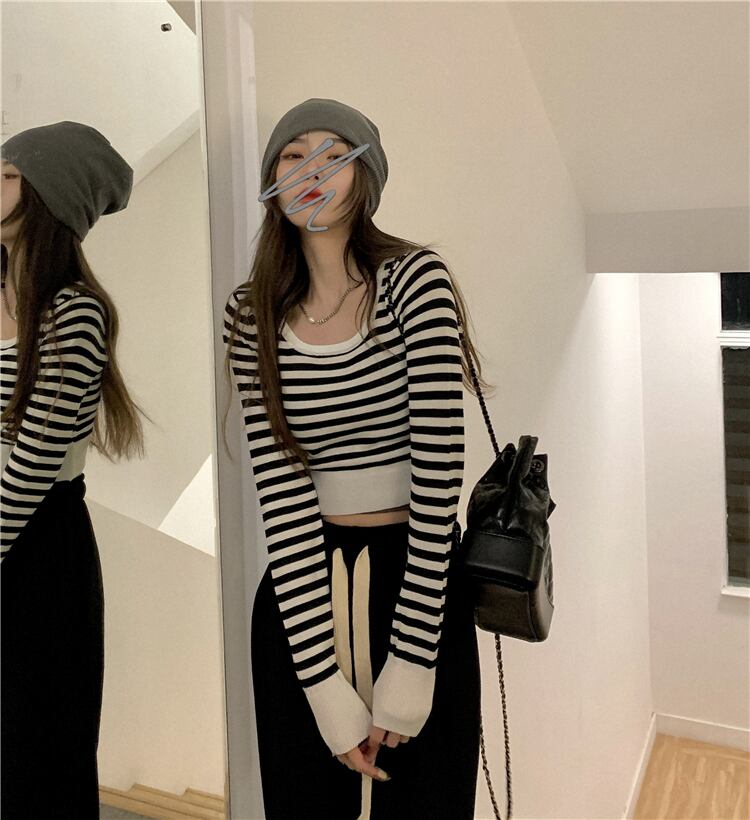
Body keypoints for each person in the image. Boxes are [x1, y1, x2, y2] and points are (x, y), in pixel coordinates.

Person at [221, 98, 492, 819]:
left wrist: (414, 654)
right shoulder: (249, 312)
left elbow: (439, 468)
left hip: (418, 578)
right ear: (272, 182)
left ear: (363, 176)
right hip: (303, 592)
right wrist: (319, 681)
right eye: (292, 154)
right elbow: (280, 490)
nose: (312, 168)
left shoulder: (413, 281)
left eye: (334, 153)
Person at [0, 122, 146, 818]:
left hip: (39, 553)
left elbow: (30, 470)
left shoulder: (75, 314)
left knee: (40, 758)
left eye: (8, 175)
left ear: (49, 197)